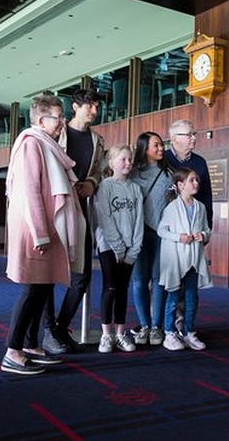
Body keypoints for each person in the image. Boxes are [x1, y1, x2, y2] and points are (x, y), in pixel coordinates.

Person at [1, 95, 83, 375]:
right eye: (57, 118)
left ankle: (31, 345)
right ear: (40, 120)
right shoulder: (31, 144)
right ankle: (12, 351)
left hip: (47, 228)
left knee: (44, 287)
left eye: (62, 117)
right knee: (33, 289)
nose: (62, 123)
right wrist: (39, 233)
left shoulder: (46, 145)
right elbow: (29, 192)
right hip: (35, 229)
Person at [42, 89, 106, 354]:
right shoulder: (58, 132)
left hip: (79, 208)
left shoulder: (97, 139)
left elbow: (100, 171)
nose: (93, 110)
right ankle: (48, 330)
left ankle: (59, 328)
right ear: (75, 107)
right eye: (89, 105)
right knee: (46, 273)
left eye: (96, 106)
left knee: (82, 276)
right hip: (55, 207)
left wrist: (92, 182)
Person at [164, 120, 213, 333]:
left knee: (190, 282)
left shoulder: (200, 162)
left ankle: (184, 324)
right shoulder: (162, 160)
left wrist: (207, 230)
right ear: (174, 139)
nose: (194, 137)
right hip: (169, 234)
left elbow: (207, 197)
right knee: (168, 282)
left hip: (194, 233)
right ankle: (162, 326)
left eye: (195, 133)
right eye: (189, 134)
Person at [94, 144, 144, 353]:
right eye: (123, 159)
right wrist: (118, 247)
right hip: (109, 247)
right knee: (110, 288)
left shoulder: (135, 189)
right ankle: (106, 335)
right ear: (112, 162)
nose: (128, 163)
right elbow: (105, 218)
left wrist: (133, 249)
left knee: (123, 290)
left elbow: (139, 220)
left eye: (130, 159)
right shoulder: (105, 186)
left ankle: (121, 334)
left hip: (130, 248)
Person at [157, 168, 212, 351]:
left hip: (193, 261)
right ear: (180, 185)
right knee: (173, 297)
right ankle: (169, 333)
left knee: (191, 298)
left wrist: (202, 235)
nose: (196, 183)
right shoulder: (171, 208)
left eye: (197, 180)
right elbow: (162, 230)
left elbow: (207, 230)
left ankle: (189, 332)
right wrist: (179, 237)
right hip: (176, 260)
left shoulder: (200, 207)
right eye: (191, 180)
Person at [128, 132, 173, 346]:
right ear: (144, 148)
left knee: (158, 280)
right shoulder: (132, 173)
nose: (161, 148)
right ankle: (144, 325)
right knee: (139, 280)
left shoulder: (168, 174)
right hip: (138, 233)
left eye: (161, 144)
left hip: (161, 233)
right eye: (156, 145)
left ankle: (157, 327)